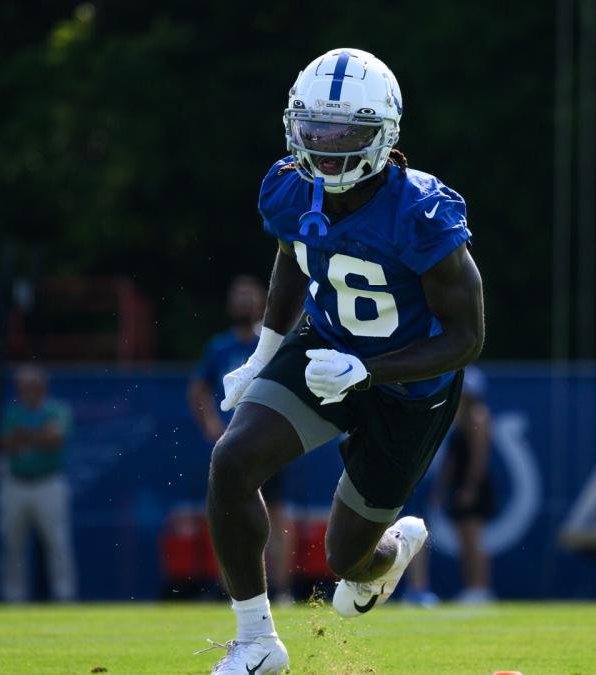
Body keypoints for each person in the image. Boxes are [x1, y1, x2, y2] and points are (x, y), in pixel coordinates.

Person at [199, 49, 484, 674]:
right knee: (232, 460)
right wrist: (264, 354)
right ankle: (256, 642)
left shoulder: (421, 212)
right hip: (324, 345)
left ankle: (391, 549)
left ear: (384, 134)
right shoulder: (287, 184)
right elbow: (293, 256)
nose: (327, 147)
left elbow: (466, 338)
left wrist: (370, 371)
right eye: (315, 129)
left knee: (345, 560)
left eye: (346, 132)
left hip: (410, 388)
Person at [188, 275, 293, 603]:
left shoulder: (271, 343)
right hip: (232, 443)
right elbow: (198, 388)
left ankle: (281, 589)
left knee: (274, 515)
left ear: (263, 301)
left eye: (250, 295)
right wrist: (210, 422)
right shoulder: (220, 347)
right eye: (238, 295)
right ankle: (232, 590)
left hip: (267, 442)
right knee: (229, 513)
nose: (244, 302)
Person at [0, 365, 77, 602]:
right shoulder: (12, 411)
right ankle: (14, 599)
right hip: (17, 483)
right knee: (14, 544)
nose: (29, 391)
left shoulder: (57, 409)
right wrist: (38, 435)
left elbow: (56, 438)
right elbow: (6, 443)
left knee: (57, 543)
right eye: (24, 386)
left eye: (33, 385)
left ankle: (64, 596)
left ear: (43, 387)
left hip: (48, 482)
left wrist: (26, 435)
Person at [440, 365, 497, 604]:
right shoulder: (458, 417)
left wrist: (470, 488)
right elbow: (451, 459)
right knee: (465, 540)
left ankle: (481, 589)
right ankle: (471, 588)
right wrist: (441, 488)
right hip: (460, 486)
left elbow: (479, 457)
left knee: (473, 539)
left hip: (473, 487)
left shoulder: (479, 415)